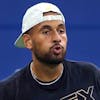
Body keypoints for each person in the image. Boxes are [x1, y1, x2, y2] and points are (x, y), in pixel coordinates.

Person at [0, 2, 100, 100]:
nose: (57, 38)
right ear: (28, 41)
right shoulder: (7, 92)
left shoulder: (90, 75)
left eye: (61, 31)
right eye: (46, 32)